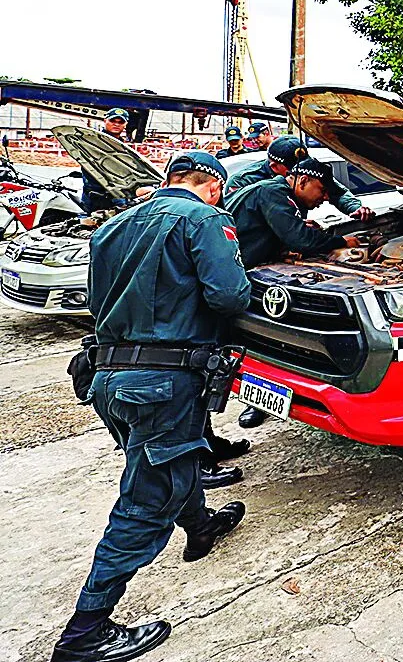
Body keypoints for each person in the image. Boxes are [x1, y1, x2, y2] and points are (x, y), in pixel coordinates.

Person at [51, 152, 251, 662]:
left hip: (107, 378)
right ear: (212, 186)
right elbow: (229, 297)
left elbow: (98, 301)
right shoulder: (203, 218)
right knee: (146, 500)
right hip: (163, 381)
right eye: (219, 192)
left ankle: (200, 526)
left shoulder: (111, 226)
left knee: (157, 460)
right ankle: (85, 631)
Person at [226, 157, 361, 428]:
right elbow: (299, 238)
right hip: (239, 276)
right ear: (302, 180)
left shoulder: (278, 193)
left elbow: (278, 233)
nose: (324, 198)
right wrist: (340, 241)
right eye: (321, 190)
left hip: (250, 271)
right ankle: (257, 401)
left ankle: (284, 394)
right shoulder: (274, 192)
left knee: (273, 345)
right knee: (263, 344)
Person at [224, 136, 373, 222]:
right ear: (275, 167)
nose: (300, 174)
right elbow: (236, 221)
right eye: (292, 170)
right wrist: (293, 225)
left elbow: (334, 190)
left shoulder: (307, 168)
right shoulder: (242, 181)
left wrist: (355, 208)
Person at [77, 109, 132, 213]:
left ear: (126, 124)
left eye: (120, 122)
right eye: (112, 121)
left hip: (117, 194)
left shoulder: (123, 147)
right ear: (105, 120)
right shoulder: (92, 141)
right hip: (93, 195)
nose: (116, 124)